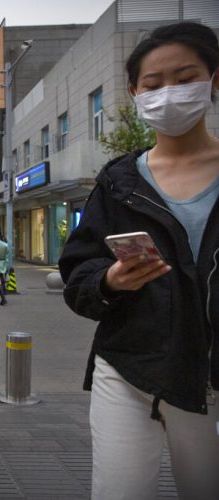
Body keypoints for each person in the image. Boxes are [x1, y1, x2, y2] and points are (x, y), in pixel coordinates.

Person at [59, 22, 219, 500]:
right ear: (134, 93)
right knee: (119, 490)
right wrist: (109, 279)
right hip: (128, 365)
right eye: (153, 85)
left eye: (184, 77)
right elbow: (78, 273)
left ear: (214, 80)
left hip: (208, 369)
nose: (168, 94)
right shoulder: (119, 180)